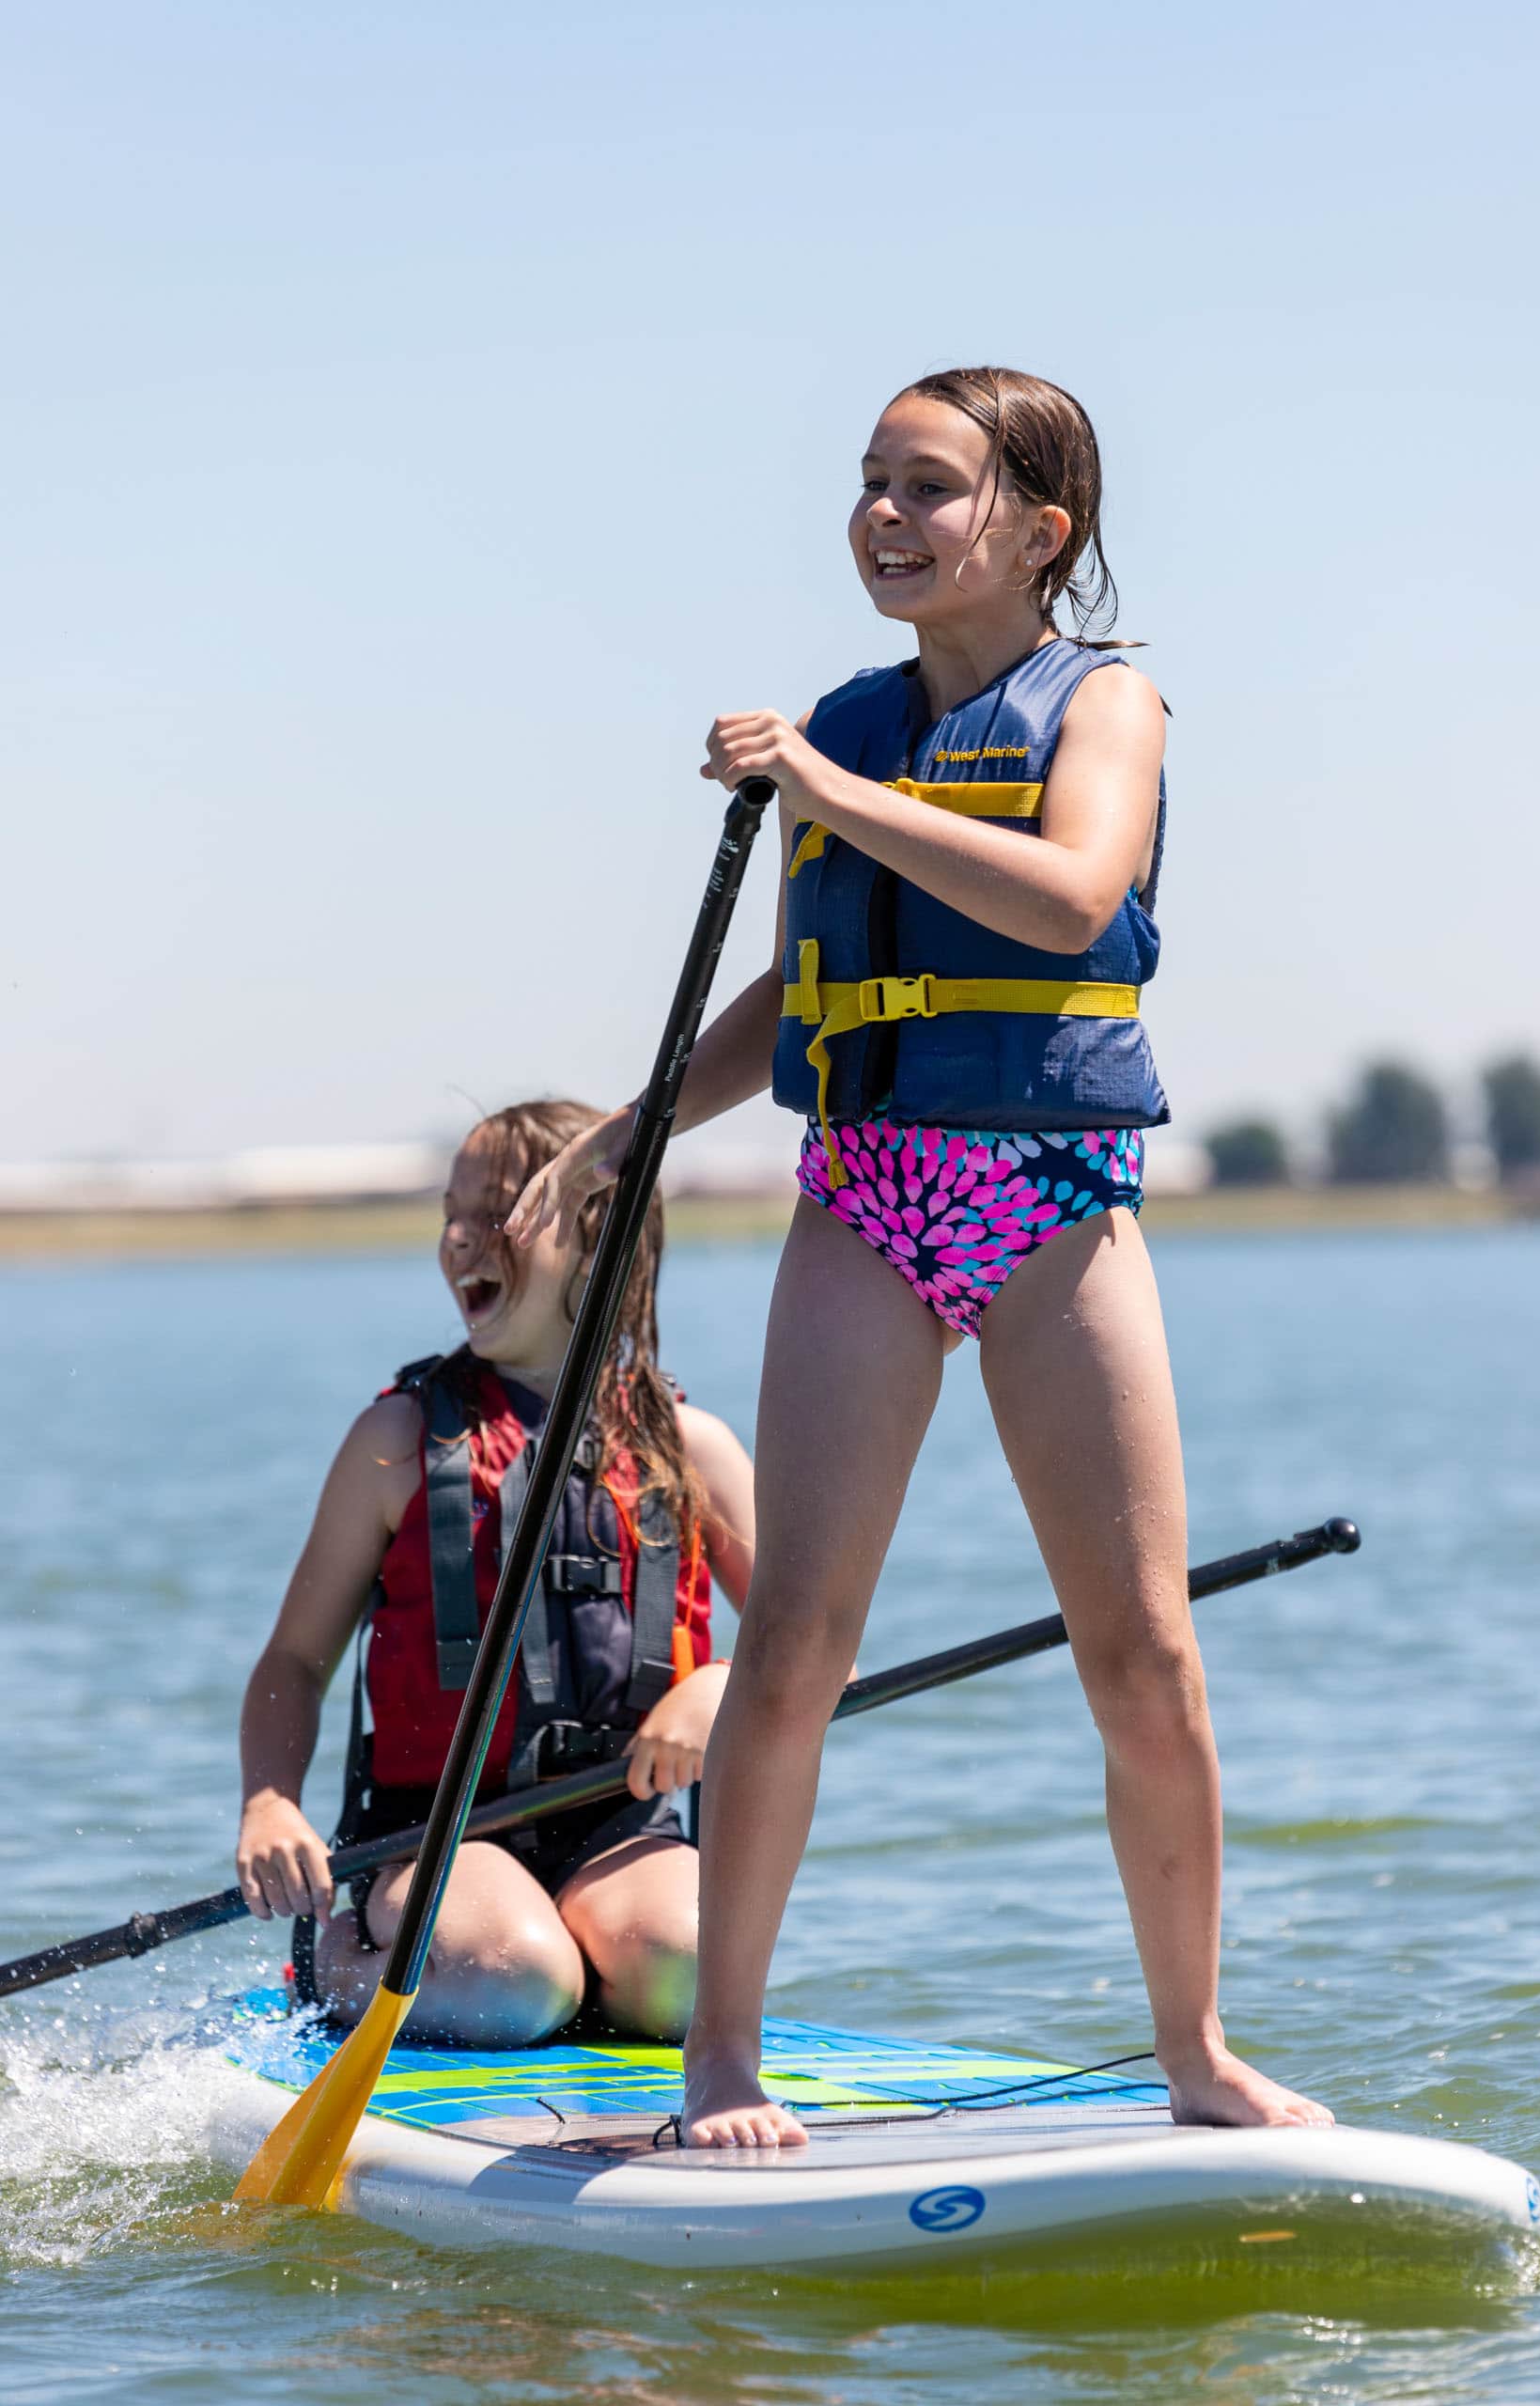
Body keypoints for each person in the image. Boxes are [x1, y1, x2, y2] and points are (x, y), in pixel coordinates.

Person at [507, 367, 1333, 2142]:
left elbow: (1072, 896)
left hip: (1049, 1197)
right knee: (796, 1638)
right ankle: (719, 2060)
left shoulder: (1101, 702)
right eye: (869, 482)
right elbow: (806, 985)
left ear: (1038, 532)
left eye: (928, 487)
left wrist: (815, 782)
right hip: (868, 1192)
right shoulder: (850, 723)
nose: (882, 514)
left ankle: (1194, 2052)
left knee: (1142, 1654)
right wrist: (628, 1130)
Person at [236, 1100, 754, 2045]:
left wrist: (721, 1686)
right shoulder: (395, 1441)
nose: (457, 1239)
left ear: (596, 1235)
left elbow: (818, 1649)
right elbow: (294, 1662)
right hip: (436, 1837)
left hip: (619, 1830)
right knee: (514, 1977)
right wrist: (270, 1802)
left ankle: (575, 1976)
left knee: (687, 1970)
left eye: (496, 1213)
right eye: (450, 1214)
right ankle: (346, 1963)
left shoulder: (693, 1449)